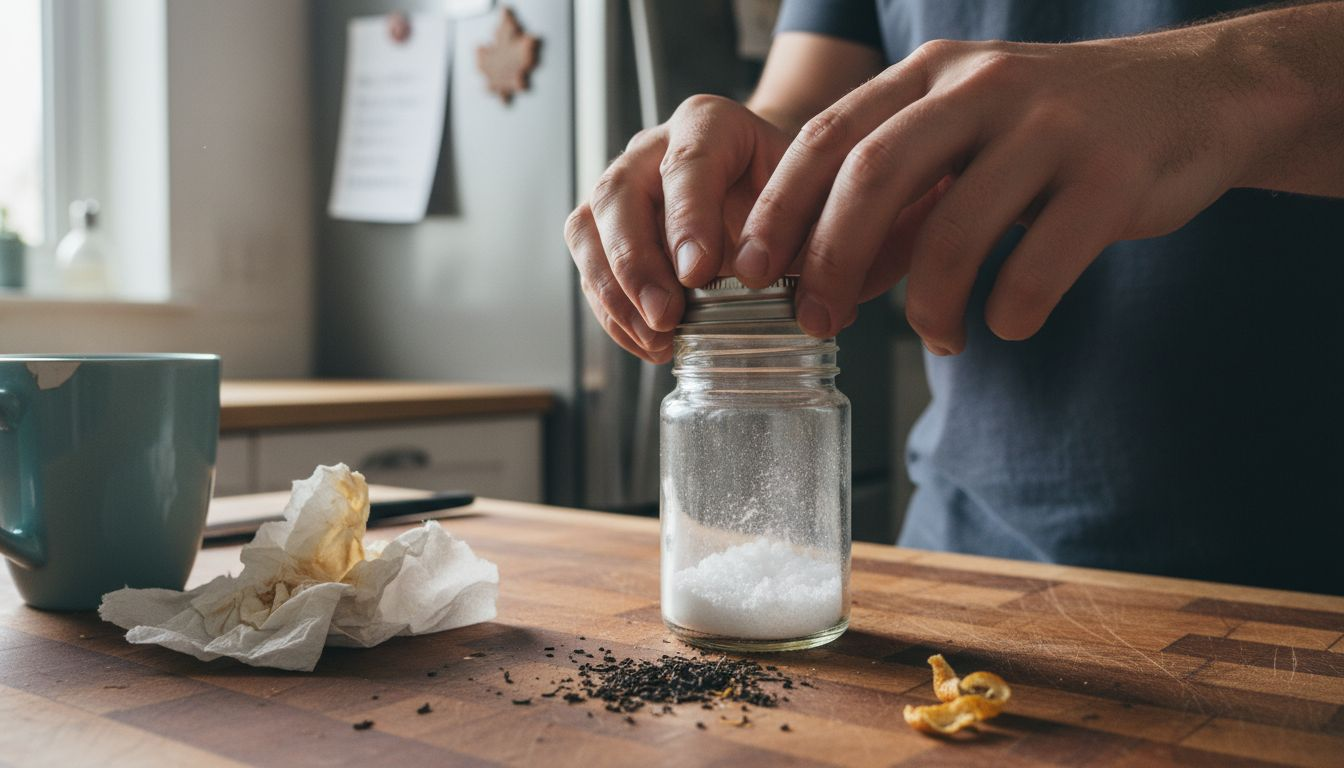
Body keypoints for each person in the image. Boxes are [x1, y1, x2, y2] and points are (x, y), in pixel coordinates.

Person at [565, 0, 1344, 593]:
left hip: (1306, 578)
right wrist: (739, 163)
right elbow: (808, 108)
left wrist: (1224, 77)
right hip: (970, 564)